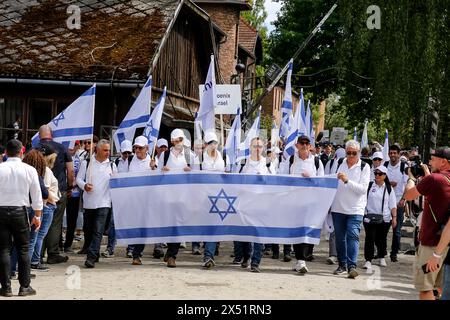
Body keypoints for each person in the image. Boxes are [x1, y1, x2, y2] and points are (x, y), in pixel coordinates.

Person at [403, 146, 450, 300]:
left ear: (443, 162)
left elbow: (409, 195)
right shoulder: (441, 180)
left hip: (432, 243)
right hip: (446, 242)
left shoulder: (434, 180)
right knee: (439, 288)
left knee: (426, 289)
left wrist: (411, 178)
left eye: (432, 159)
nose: (429, 162)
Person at [0, 139, 42, 297]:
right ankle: (25, 286)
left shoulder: (0, 168)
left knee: (3, 249)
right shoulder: (29, 169)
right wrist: (37, 215)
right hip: (20, 211)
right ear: (21, 152)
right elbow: (36, 195)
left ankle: (5, 287)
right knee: (23, 249)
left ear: (5, 153)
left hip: (1, 211)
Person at [330, 139, 370, 278]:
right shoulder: (339, 162)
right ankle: (342, 264)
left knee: (353, 235)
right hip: (338, 207)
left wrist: (347, 181)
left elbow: (363, 189)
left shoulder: (364, 166)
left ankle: (352, 266)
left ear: (359, 153)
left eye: (354, 153)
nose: (351, 156)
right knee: (340, 238)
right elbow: (330, 181)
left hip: (355, 209)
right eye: (349, 153)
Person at [285, 135, 325, 274]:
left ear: (310, 146)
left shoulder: (317, 162)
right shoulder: (290, 160)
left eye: (307, 143)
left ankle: (302, 258)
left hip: (310, 202)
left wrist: (311, 178)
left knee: (307, 231)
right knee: (297, 230)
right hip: (294, 202)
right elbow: (282, 179)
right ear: (297, 145)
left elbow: (322, 182)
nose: (304, 145)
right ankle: (300, 260)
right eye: (302, 143)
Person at [76, 139, 117, 268]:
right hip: (89, 203)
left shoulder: (111, 165)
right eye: (105, 150)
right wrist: (84, 185)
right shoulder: (87, 163)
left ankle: (91, 257)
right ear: (97, 149)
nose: (107, 153)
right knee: (89, 230)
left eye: (109, 150)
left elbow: (117, 182)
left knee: (98, 231)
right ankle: (95, 252)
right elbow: (78, 179)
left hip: (104, 203)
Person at [36, 125, 73, 264]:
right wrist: (70, 186)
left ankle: (37, 255)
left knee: (39, 222)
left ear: (39, 135)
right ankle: (52, 253)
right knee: (55, 223)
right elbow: (70, 171)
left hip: (38, 191)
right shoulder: (62, 148)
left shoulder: (34, 148)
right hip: (58, 191)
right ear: (52, 134)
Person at [158, 129, 192, 267]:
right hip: (167, 196)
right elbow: (156, 174)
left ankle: (173, 255)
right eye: (177, 140)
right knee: (169, 224)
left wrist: (190, 172)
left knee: (178, 224)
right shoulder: (165, 155)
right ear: (172, 141)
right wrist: (162, 170)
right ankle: (169, 251)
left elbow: (196, 174)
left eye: (181, 140)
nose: (179, 143)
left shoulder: (189, 155)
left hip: (183, 196)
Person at [237, 137, 269, 273]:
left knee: (258, 233)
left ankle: (256, 262)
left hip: (261, 203)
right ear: (250, 147)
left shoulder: (267, 163)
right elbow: (236, 181)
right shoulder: (244, 162)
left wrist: (264, 179)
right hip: (246, 202)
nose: (257, 148)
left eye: (260, 146)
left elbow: (275, 182)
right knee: (246, 232)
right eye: (255, 146)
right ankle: (246, 256)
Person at [363, 165, 397, 270]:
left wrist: (394, 217)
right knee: (370, 238)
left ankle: (382, 256)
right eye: (376, 173)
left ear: (385, 175)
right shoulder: (369, 186)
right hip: (369, 217)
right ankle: (368, 260)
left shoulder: (388, 188)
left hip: (385, 218)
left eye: (380, 174)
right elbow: (363, 200)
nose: (377, 175)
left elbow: (392, 204)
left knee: (381, 238)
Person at [201, 132, 225, 269]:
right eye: (210, 143)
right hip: (204, 195)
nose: (213, 145)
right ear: (205, 144)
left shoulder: (222, 157)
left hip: (219, 195)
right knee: (208, 226)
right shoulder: (200, 157)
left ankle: (208, 255)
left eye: (215, 142)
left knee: (214, 225)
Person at [74, 136, 99, 255]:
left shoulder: (103, 158)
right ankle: (87, 245)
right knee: (87, 222)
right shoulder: (84, 157)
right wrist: (83, 185)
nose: (87, 144)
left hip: (99, 194)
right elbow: (79, 176)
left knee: (97, 223)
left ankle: (94, 248)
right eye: (85, 142)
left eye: (89, 142)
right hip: (85, 191)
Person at [385, 144, 409, 262]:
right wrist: (388, 184)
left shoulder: (404, 167)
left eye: (395, 153)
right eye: (391, 153)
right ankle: (381, 251)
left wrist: (403, 199)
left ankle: (394, 253)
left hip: (398, 201)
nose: (392, 155)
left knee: (397, 229)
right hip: (385, 202)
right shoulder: (385, 165)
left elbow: (408, 185)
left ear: (399, 154)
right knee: (382, 228)